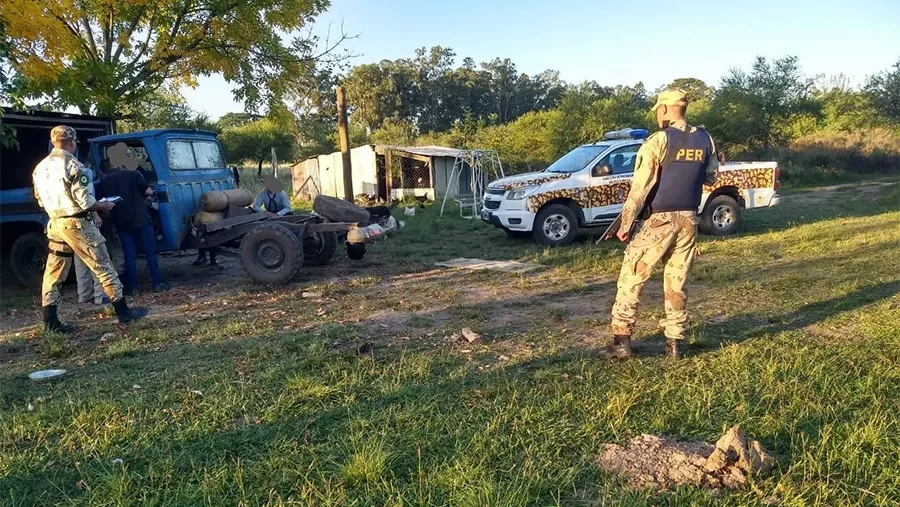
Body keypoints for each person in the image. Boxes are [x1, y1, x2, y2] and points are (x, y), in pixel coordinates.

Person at [601, 90, 719, 360]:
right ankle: (674, 344)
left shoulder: (658, 140)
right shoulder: (705, 139)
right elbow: (711, 177)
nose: (657, 114)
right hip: (689, 220)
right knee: (677, 282)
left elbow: (639, 188)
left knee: (631, 278)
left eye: (658, 109)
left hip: (658, 220)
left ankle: (621, 342)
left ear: (665, 109)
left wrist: (625, 224)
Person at [32, 126, 148, 333]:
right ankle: (123, 312)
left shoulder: (40, 168)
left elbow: (40, 200)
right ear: (71, 142)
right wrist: (104, 206)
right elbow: (86, 202)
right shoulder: (75, 166)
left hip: (56, 224)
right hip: (78, 224)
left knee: (54, 272)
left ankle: (50, 320)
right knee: (103, 265)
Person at [96, 144, 168, 295]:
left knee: (129, 254)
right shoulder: (133, 174)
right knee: (149, 252)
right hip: (141, 218)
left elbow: (103, 202)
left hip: (121, 222)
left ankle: (133, 288)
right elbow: (148, 191)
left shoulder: (104, 182)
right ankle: (158, 284)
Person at [73, 165, 108, 305]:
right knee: (97, 257)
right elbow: (86, 199)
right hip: (86, 219)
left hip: (68, 222)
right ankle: (100, 295)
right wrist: (97, 214)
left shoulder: (47, 170)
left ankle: (84, 295)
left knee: (80, 258)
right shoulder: (82, 171)